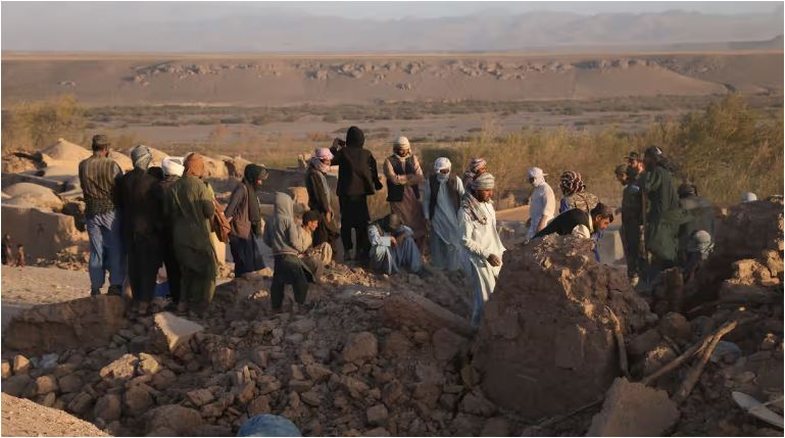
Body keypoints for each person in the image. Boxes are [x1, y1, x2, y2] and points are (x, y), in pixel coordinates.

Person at [163, 153, 217, 316]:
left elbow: (167, 212)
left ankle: (183, 304)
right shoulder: (200, 186)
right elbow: (208, 211)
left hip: (179, 237)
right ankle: (202, 305)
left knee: (186, 273)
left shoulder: (173, 187)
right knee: (208, 271)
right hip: (198, 236)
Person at [78, 134, 126, 296]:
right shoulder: (112, 165)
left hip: (91, 212)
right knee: (115, 249)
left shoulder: (83, 165)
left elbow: (83, 188)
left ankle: (95, 286)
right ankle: (116, 285)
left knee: (96, 250)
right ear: (106, 149)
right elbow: (120, 188)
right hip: (110, 211)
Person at [118, 145, 164, 315]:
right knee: (148, 268)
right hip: (148, 231)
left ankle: (135, 302)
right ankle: (144, 302)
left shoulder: (125, 180)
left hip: (129, 230)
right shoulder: (152, 183)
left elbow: (120, 203)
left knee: (134, 266)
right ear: (145, 160)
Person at [329, 126, 384, 262]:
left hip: (345, 194)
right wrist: (376, 183)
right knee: (362, 223)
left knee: (346, 223)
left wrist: (335, 146)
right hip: (361, 194)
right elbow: (373, 168)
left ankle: (347, 251)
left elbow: (331, 159)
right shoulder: (366, 153)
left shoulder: (344, 152)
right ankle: (360, 252)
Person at [460, 173, 506, 328]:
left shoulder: (488, 205)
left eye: (491, 190)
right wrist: (486, 254)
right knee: (485, 300)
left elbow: (491, 232)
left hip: (496, 255)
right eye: (487, 190)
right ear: (477, 189)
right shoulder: (466, 211)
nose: (490, 193)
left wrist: (500, 250)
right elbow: (465, 240)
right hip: (480, 260)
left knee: (500, 293)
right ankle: (476, 333)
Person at [264, 193, 321, 312]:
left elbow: (266, 240)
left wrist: (276, 246)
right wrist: (301, 249)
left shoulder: (270, 221)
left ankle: (276, 308)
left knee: (278, 283)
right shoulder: (288, 221)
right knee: (301, 281)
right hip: (290, 255)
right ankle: (301, 306)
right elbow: (293, 241)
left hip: (277, 255)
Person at [640, 145, 686, 280]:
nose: (644, 161)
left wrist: (642, 175)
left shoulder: (658, 172)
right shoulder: (666, 173)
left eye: (646, 159)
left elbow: (647, 186)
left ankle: (657, 282)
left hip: (661, 219)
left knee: (658, 248)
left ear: (651, 159)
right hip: (668, 219)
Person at [383, 136, 427, 251]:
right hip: (397, 200)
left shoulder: (413, 159)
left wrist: (402, 179)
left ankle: (418, 253)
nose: (402, 151)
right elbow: (393, 179)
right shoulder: (389, 161)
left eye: (404, 149)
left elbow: (420, 177)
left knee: (418, 226)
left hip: (413, 199)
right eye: (399, 148)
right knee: (399, 226)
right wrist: (410, 177)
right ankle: (400, 253)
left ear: (408, 148)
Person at [225, 163, 268, 278]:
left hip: (246, 232)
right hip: (238, 234)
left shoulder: (250, 190)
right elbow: (229, 212)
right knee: (243, 267)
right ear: (252, 178)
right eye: (259, 180)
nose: (260, 183)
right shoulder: (241, 189)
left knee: (248, 265)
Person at [422, 157, 465, 271]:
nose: (444, 173)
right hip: (437, 218)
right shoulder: (430, 182)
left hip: (453, 218)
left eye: (446, 171)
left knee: (454, 244)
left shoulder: (456, 180)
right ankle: (439, 269)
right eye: (442, 171)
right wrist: (426, 216)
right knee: (437, 244)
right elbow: (426, 199)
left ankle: (454, 269)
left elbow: (463, 197)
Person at [158, 157, 185, 308]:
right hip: (181, 233)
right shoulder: (182, 187)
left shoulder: (157, 187)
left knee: (171, 267)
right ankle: (183, 298)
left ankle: (175, 297)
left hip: (163, 234)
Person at [305, 148, 338, 248]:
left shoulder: (317, 173)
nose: (327, 164)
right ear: (318, 161)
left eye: (329, 161)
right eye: (325, 161)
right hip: (320, 211)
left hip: (322, 210)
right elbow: (320, 194)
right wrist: (327, 210)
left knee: (330, 235)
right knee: (323, 237)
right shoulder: (314, 174)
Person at [616, 164, 643, 285]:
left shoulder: (631, 189)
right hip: (632, 225)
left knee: (633, 252)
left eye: (619, 177)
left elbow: (635, 208)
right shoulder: (634, 187)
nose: (619, 180)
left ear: (624, 175)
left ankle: (634, 278)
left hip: (633, 226)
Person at [677, 183, 715, 267]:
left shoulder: (679, 204)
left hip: (688, 247)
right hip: (708, 244)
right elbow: (713, 225)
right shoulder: (707, 203)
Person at [535, 202, 615, 241]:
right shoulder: (582, 227)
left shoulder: (579, 213)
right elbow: (579, 253)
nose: (605, 227)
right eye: (605, 223)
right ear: (598, 218)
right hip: (537, 252)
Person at [526, 167, 556, 241]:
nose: (531, 182)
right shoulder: (536, 190)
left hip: (544, 222)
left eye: (532, 179)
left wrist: (542, 223)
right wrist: (531, 218)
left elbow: (549, 207)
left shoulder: (546, 189)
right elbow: (536, 206)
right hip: (535, 221)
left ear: (538, 178)